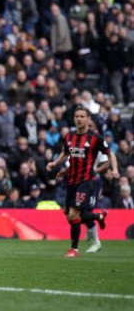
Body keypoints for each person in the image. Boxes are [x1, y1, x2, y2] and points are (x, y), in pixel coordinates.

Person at [46, 106, 120, 258]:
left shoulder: (95, 138)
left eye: (82, 116)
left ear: (88, 119)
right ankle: (99, 216)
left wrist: (115, 170)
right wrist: (56, 163)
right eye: (76, 116)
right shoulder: (69, 136)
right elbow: (66, 153)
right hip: (71, 180)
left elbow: (110, 154)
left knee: (74, 214)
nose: (79, 119)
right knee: (69, 215)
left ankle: (74, 249)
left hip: (87, 181)